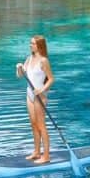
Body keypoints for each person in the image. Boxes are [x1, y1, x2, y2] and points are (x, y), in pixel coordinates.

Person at [16, 34, 55, 163]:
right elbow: (20, 76)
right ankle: (37, 152)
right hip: (29, 95)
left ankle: (46, 156)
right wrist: (19, 68)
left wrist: (42, 90)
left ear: (39, 46)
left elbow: (51, 79)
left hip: (40, 96)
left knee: (41, 125)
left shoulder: (44, 61)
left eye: (32, 43)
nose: (30, 45)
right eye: (30, 43)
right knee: (33, 124)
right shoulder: (29, 59)